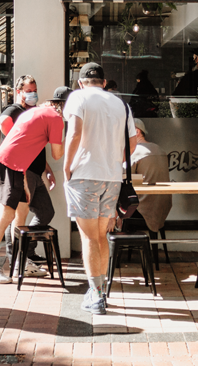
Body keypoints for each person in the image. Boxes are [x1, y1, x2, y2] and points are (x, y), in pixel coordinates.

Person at [63, 62, 137, 315]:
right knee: (101, 235)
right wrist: (115, 161)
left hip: (85, 175)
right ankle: (100, 289)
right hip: (113, 177)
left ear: (81, 82)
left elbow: (74, 134)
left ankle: (95, 295)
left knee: (89, 236)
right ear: (104, 83)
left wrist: (67, 166)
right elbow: (133, 141)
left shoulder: (78, 97)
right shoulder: (121, 104)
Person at [0, 88, 68, 284]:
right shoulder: (55, 118)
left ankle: (20, 262)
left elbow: (22, 142)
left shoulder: (36, 111)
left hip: (14, 164)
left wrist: (24, 178)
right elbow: (57, 154)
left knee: (19, 215)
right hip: (10, 164)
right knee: (6, 216)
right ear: (65, 106)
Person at [0, 75, 57, 275]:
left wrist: (47, 168)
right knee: (17, 216)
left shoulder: (34, 112)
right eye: (29, 90)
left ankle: (27, 251)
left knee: (46, 212)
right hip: (23, 171)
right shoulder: (14, 110)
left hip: (36, 171)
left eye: (35, 89)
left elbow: (36, 145)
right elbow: (3, 121)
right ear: (19, 91)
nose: (32, 93)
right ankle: (16, 258)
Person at [130, 119, 172, 233]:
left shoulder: (135, 151)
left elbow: (126, 179)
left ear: (136, 131)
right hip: (163, 207)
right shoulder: (160, 149)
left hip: (143, 209)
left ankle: (115, 246)